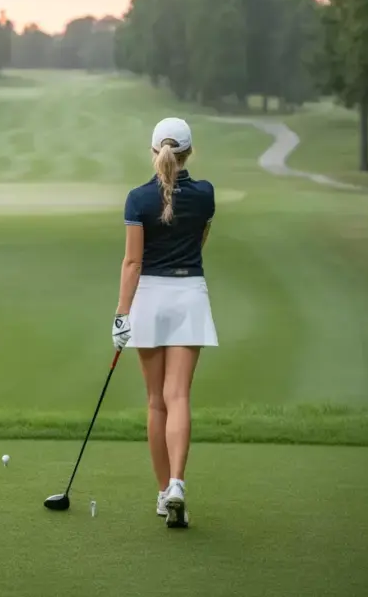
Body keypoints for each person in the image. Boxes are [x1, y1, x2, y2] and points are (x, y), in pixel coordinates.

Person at [110, 117, 217, 529]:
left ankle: (162, 495)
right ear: (188, 153)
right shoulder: (205, 194)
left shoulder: (138, 199)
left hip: (150, 300)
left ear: (154, 151)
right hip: (190, 295)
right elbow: (199, 240)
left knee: (156, 400)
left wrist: (122, 314)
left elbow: (133, 261)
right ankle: (177, 484)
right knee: (180, 397)